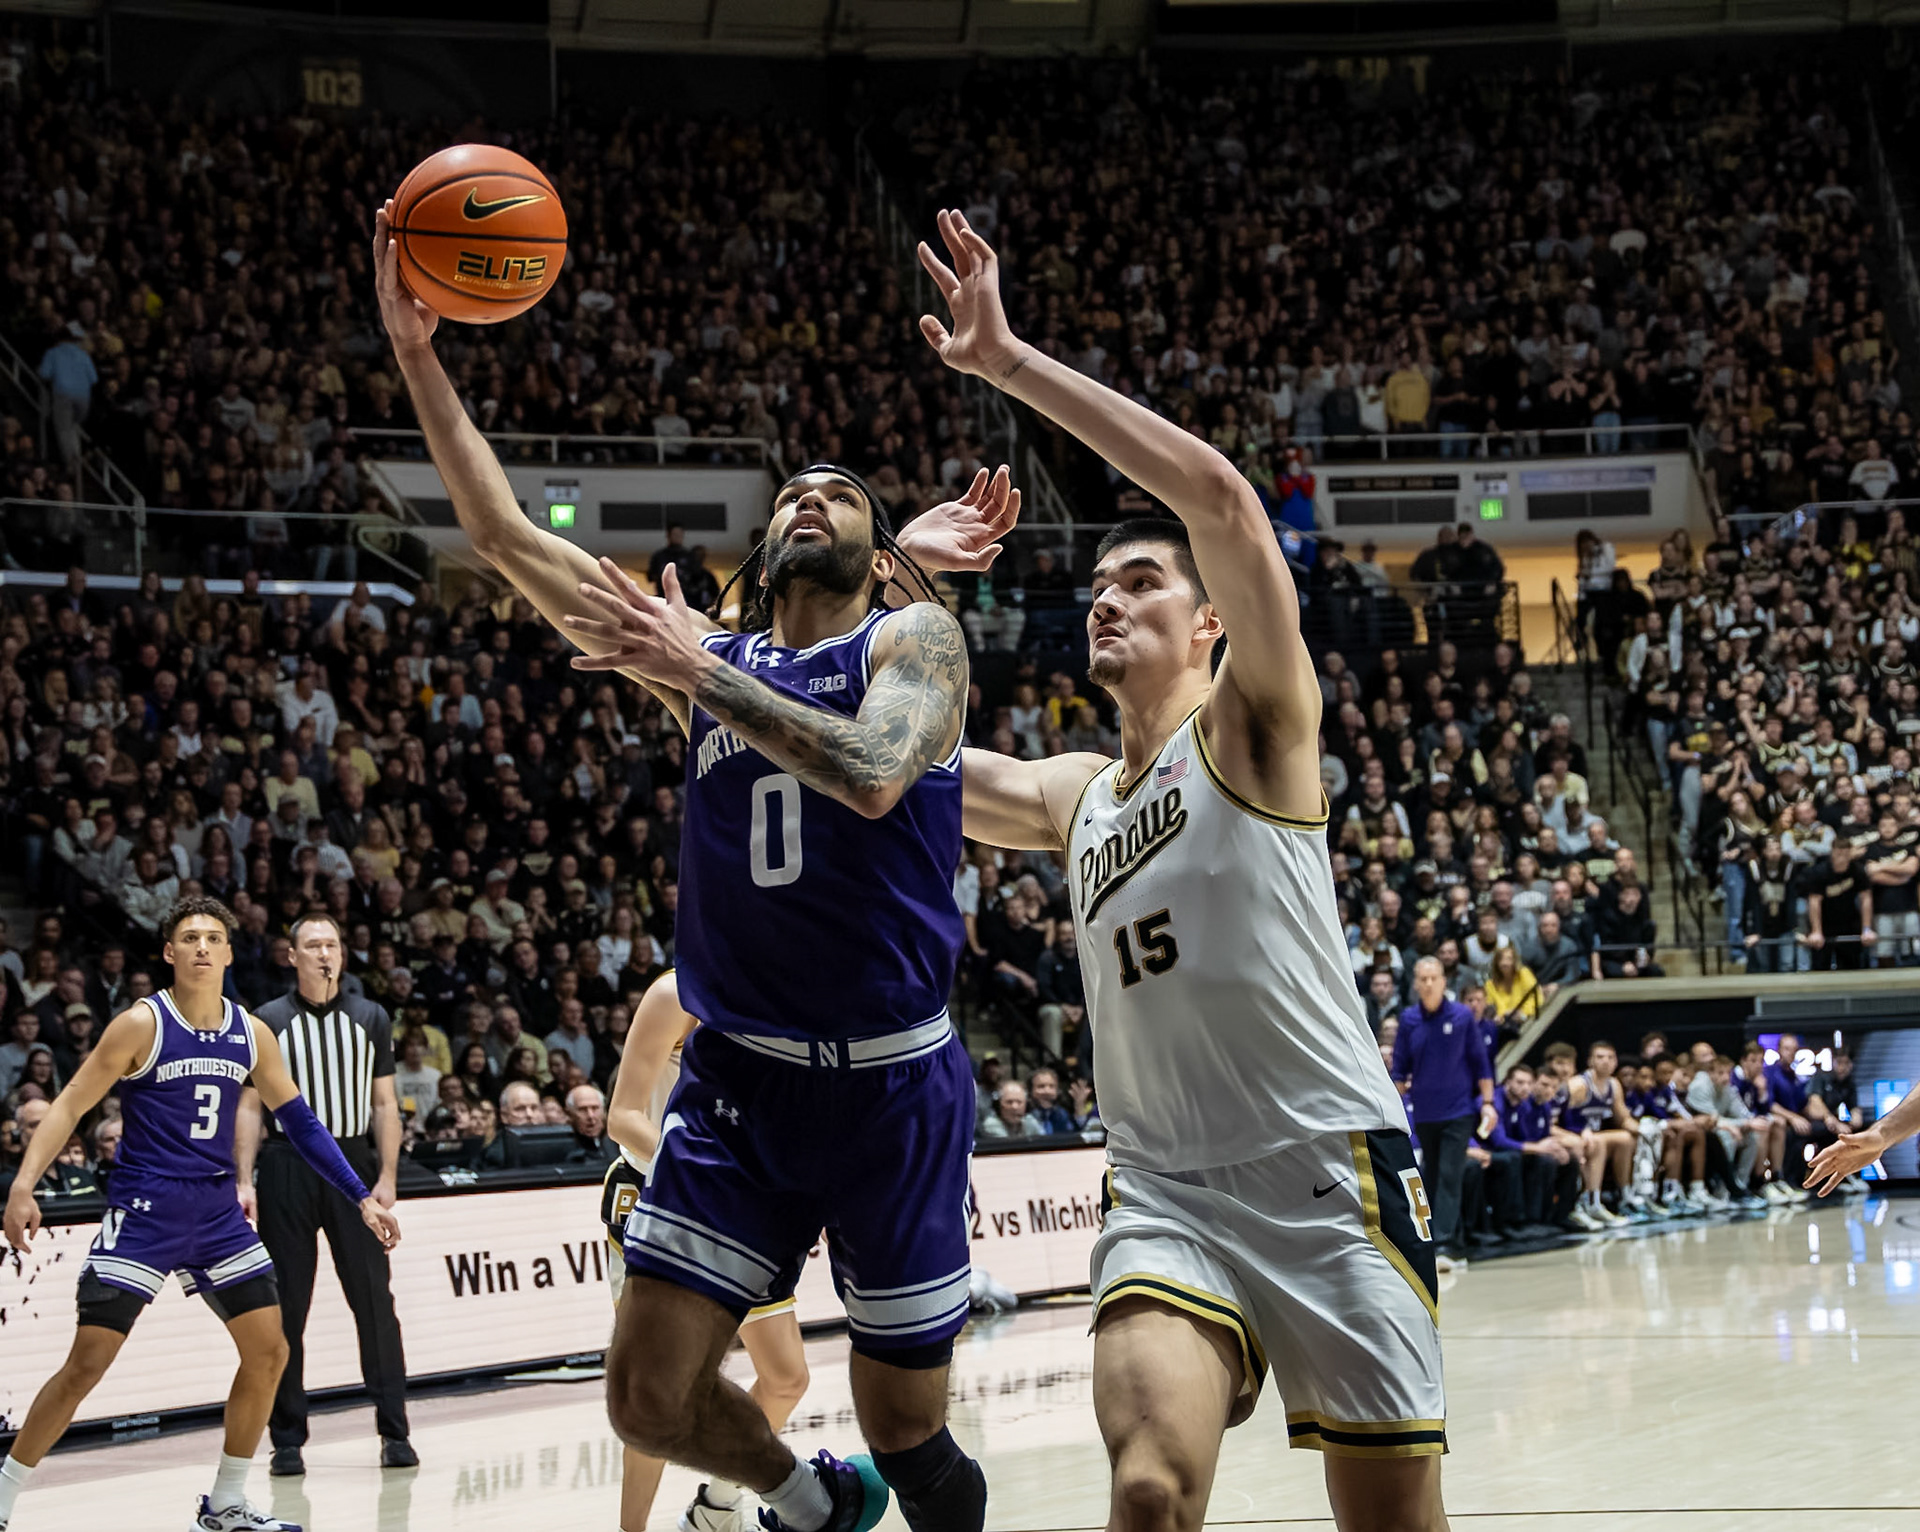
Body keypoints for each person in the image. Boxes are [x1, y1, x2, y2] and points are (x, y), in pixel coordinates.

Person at [376, 201, 1009, 1532]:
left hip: (894, 1086)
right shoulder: (709, 669)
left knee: (911, 1430)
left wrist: (698, 670)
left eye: (834, 494)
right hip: (738, 1089)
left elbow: (876, 774)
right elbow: (501, 536)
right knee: (644, 1397)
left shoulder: (916, 650)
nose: (803, 502)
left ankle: (898, 1495)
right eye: (789, 494)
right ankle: (807, 1503)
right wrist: (422, 358)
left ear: (877, 548)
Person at [890, 209, 1447, 1527]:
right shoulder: (1079, 795)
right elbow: (885, 759)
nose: (1108, 595)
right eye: (1096, 584)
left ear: (1209, 623)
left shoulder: (1256, 728)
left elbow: (1225, 504)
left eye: (1141, 580)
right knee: (1147, 1494)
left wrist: (1011, 365)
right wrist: (867, 585)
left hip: (1327, 1175)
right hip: (1165, 1195)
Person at [0, 897, 400, 1532]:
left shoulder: (251, 1032)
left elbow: (299, 1123)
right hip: (147, 1207)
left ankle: (226, 1501)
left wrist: (360, 1195)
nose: (203, 948)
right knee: (87, 1363)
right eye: (190, 938)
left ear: (231, 953)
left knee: (270, 1349)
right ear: (169, 952)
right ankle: (2, 1494)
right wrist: (24, 1184)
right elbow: (72, 1102)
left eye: (214, 937)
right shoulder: (140, 1024)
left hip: (216, 1211)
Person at [603, 976, 811, 1532]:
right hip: (658, 1200)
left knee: (787, 1377)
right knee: (657, 1389)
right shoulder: (675, 993)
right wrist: (694, 1174)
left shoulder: (774, 997)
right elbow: (622, 1117)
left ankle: (717, 1508)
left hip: (737, 1206)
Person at [237, 911, 413, 1475]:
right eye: (311, 945)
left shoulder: (371, 1017)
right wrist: (244, 1179)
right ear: (291, 956)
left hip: (352, 1164)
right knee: (287, 1307)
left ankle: (394, 1430)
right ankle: (286, 1438)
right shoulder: (265, 1021)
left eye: (331, 944)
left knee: (374, 1304)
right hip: (287, 1165)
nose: (323, 953)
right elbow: (248, 1107)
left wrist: (386, 1177)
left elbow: (385, 1103)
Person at [1391, 958, 1497, 1264]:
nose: (1427, 984)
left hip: (1459, 1111)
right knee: (1433, 1177)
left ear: (1443, 981)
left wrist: (1488, 1103)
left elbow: (1480, 1062)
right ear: (1414, 983)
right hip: (1425, 1114)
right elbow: (1399, 1070)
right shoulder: (1409, 1020)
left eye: (1433, 978)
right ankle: (1452, 1239)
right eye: (1422, 978)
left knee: (1450, 1173)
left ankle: (1445, 1246)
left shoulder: (1462, 1017)